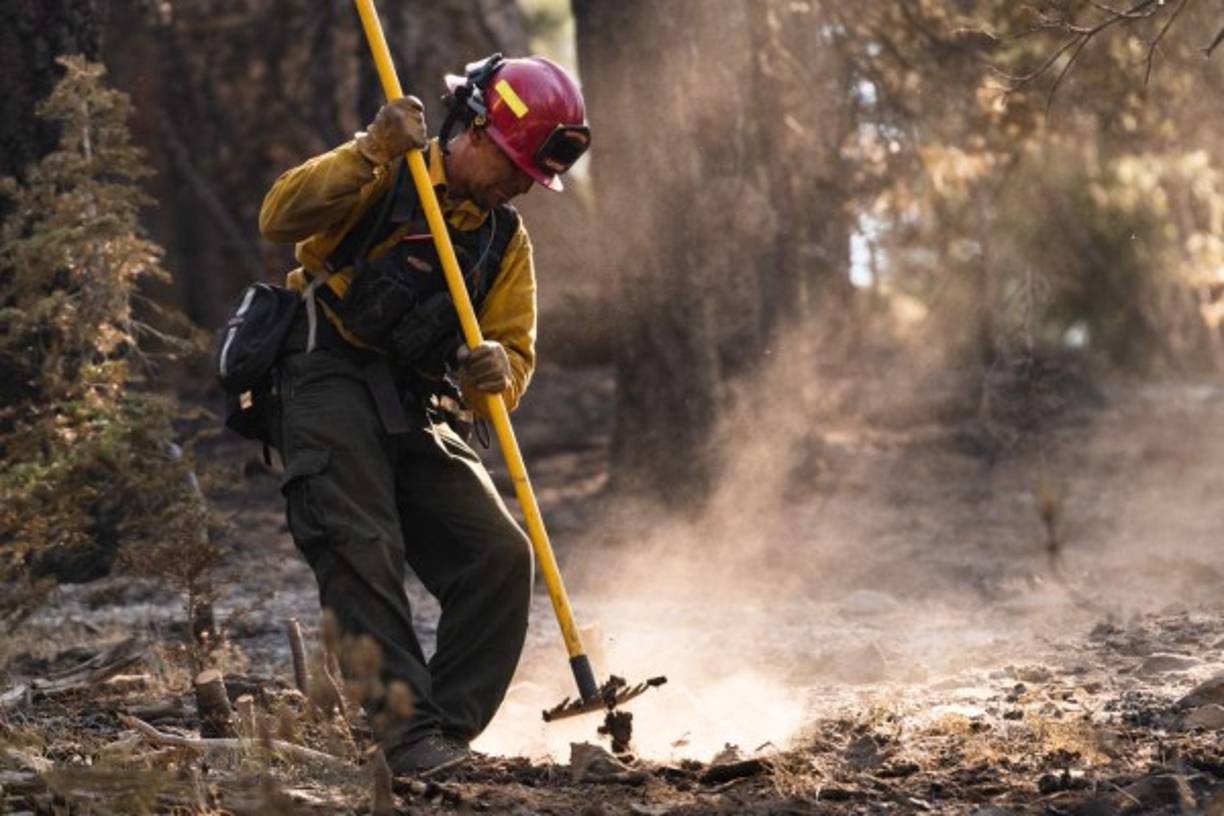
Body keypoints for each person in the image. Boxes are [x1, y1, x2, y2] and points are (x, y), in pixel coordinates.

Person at [257, 54, 590, 773]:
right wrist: (370, 148)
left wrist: (497, 374)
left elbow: (511, 363)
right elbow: (278, 216)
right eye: (510, 167)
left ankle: (442, 734)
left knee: (499, 556)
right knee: (361, 543)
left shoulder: (506, 241)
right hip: (323, 371)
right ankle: (404, 735)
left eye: (530, 179)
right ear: (470, 129)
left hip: (415, 400)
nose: (517, 188)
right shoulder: (386, 168)